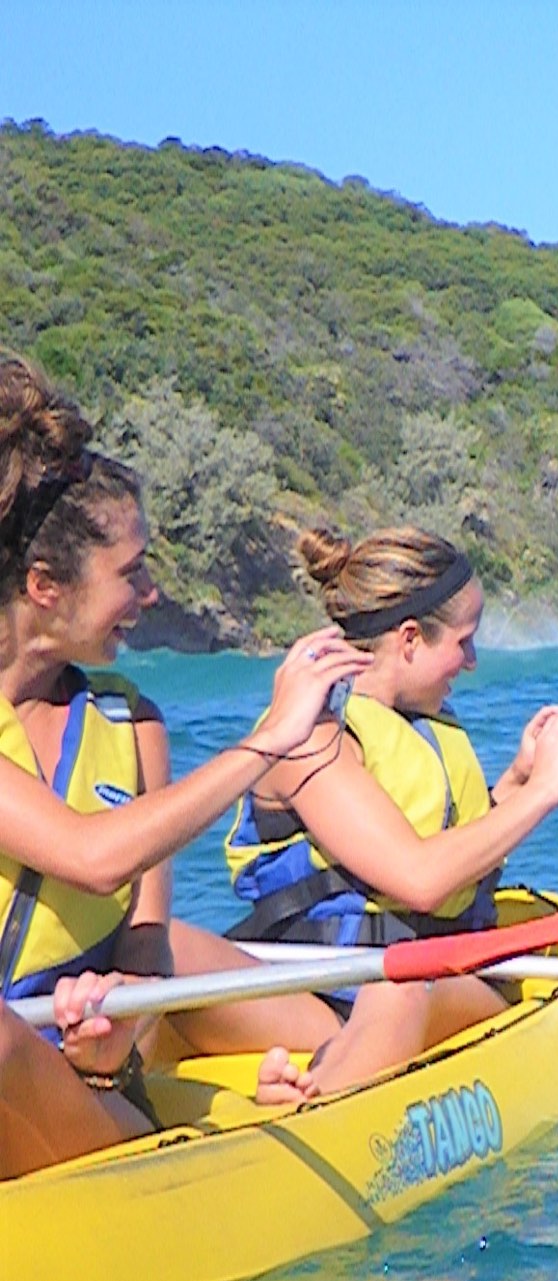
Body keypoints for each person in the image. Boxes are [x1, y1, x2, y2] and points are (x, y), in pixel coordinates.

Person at [0, 354, 368, 1177]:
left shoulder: (133, 725)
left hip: (89, 1095)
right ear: (44, 585)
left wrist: (108, 1040)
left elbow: (144, 945)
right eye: (131, 573)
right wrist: (265, 741)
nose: (153, 594)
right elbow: (93, 858)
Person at [228, 525, 558, 1104]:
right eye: (463, 642)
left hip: (424, 984)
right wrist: (544, 792)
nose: (471, 662)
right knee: (161, 948)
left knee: (396, 987)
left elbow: (440, 863)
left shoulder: (419, 723)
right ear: (408, 640)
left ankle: (315, 1097)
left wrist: (515, 784)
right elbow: (419, 879)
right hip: (317, 988)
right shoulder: (312, 736)